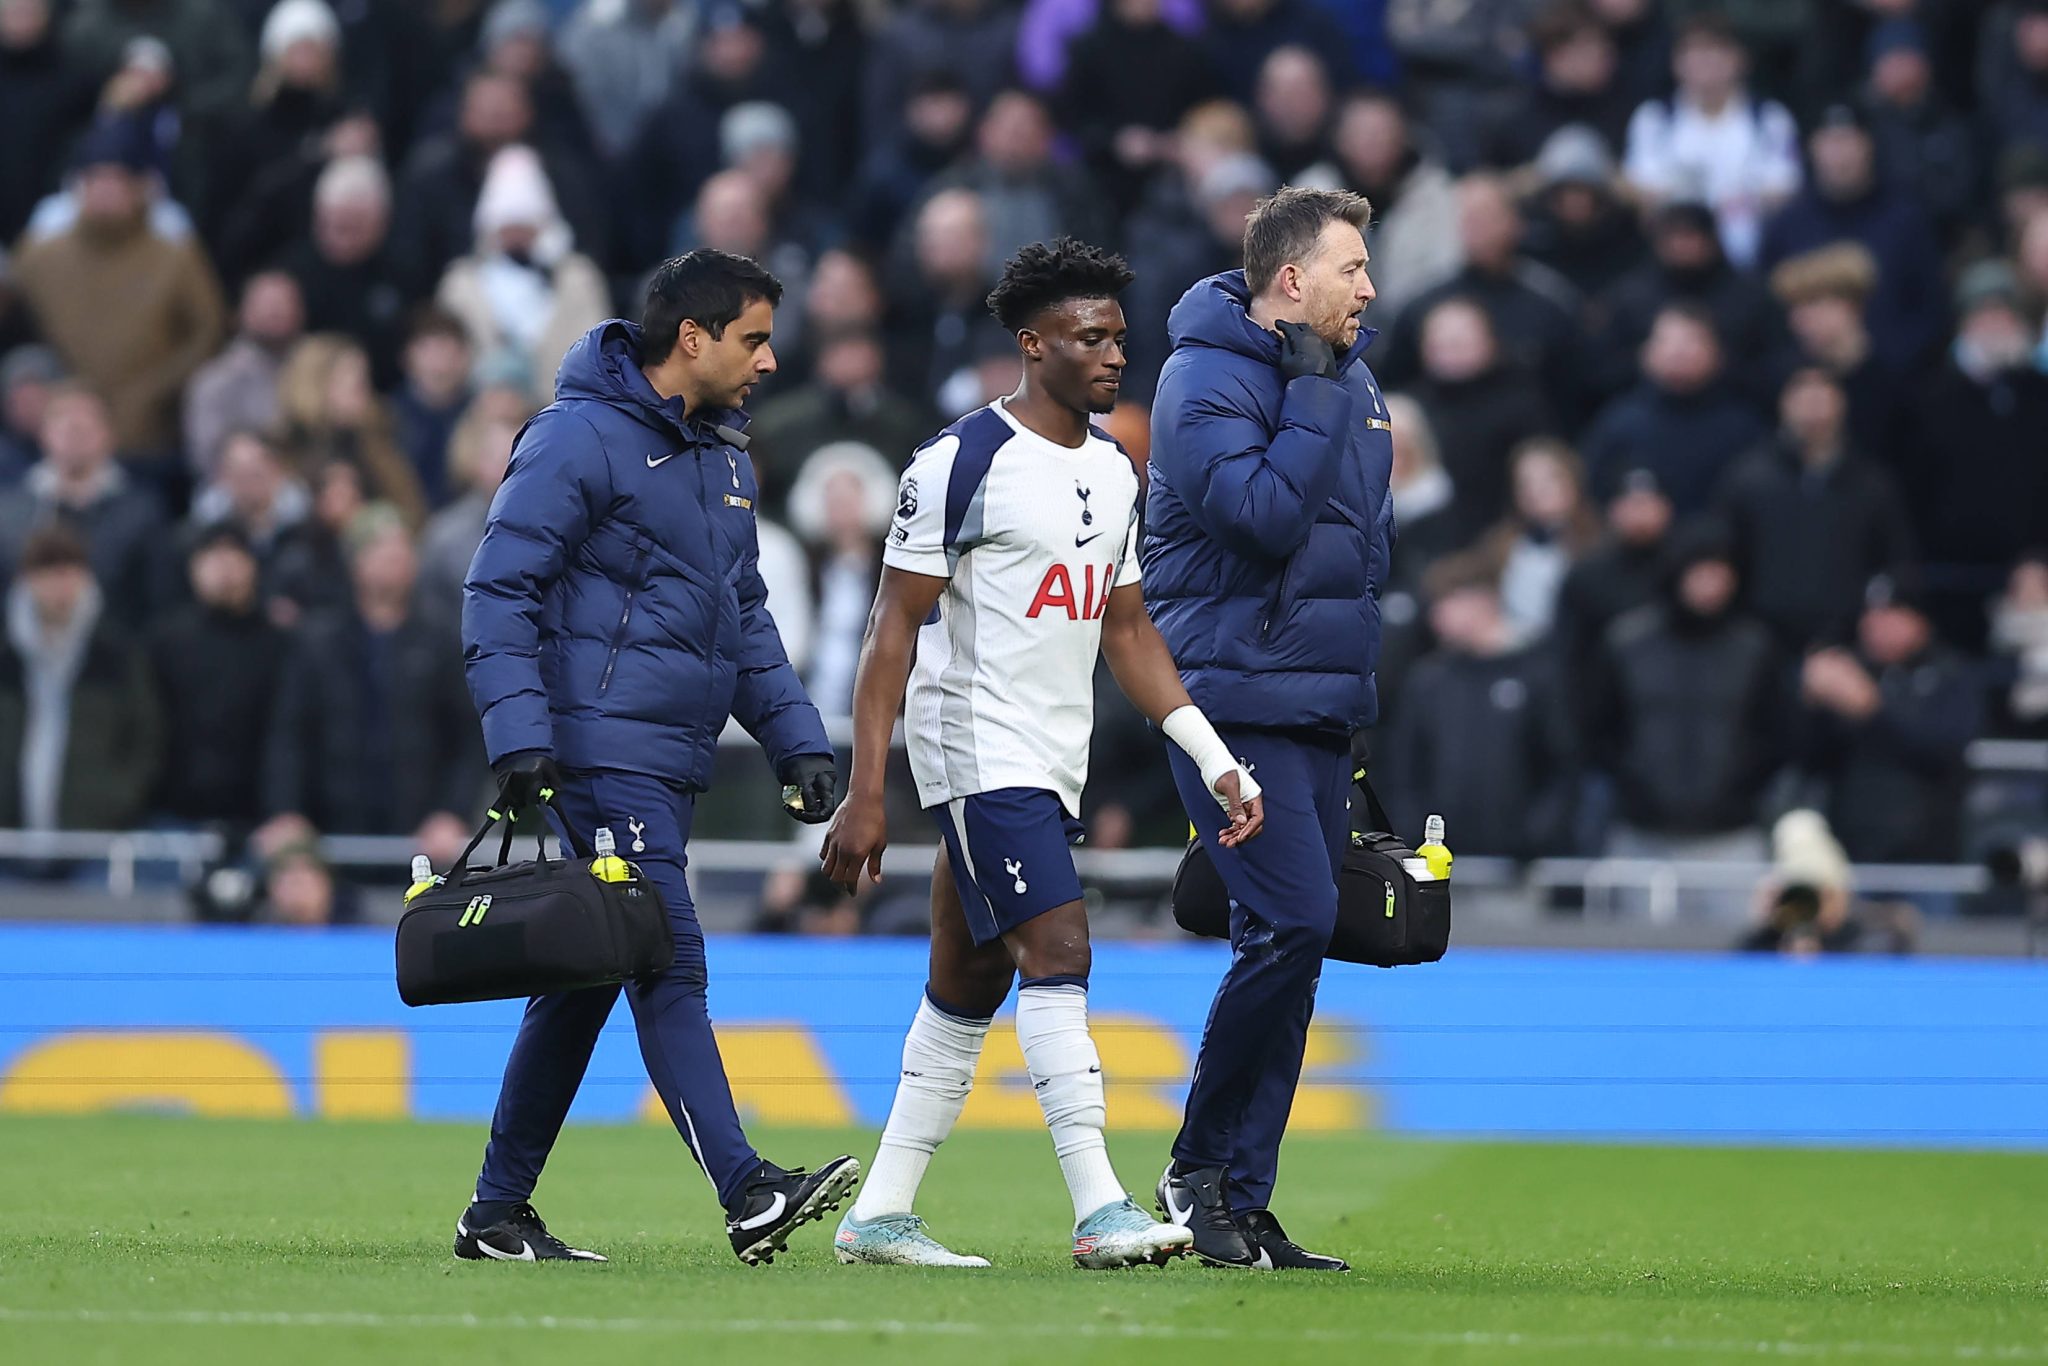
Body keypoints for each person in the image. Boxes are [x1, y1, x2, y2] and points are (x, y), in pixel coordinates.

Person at [820, 238, 1256, 1269]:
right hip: (974, 747)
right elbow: (893, 629)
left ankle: (878, 1213)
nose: (1112, 355)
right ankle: (1099, 1206)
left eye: (1117, 336)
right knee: (1059, 950)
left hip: (1049, 757)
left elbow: (1129, 634)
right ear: (1032, 344)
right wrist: (865, 790)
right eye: (1088, 337)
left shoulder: (1112, 472)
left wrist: (1213, 755)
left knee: (964, 984)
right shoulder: (958, 461)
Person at [458, 249, 856, 1267]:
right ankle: (747, 1188)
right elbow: (496, 589)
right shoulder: (576, 438)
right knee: (664, 958)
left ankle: (496, 1213)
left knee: (585, 980)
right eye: (754, 338)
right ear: (692, 337)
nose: (769, 361)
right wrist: (518, 740)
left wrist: (795, 740)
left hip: (666, 759)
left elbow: (745, 617)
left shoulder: (724, 457)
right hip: (597, 754)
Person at [1143, 188, 1389, 1269]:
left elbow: (1356, 556)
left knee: (1294, 942)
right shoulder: (1202, 377)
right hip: (1230, 701)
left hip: (1316, 701)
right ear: (1290, 280)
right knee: (1290, 922)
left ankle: (1239, 1199)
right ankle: (1194, 1167)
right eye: (1349, 268)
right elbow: (1261, 517)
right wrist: (1310, 391)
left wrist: (1349, 695)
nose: (1368, 288)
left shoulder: (1342, 374)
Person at [1798, 573, 1981, 864]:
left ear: (1919, 620)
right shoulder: (1852, 672)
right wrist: (1811, 704)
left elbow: (1944, 753)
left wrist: (1872, 712)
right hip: (1850, 853)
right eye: (1869, 615)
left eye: (1889, 614)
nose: (1875, 625)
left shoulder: (1951, 674)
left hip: (1926, 856)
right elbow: (1811, 761)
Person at [146, 523, 283, 828]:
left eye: (235, 557)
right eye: (213, 557)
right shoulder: (167, 641)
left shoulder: (277, 643)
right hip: (174, 810)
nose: (225, 569)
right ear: (193, 568)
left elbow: (286, 734)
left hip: (256, 816)